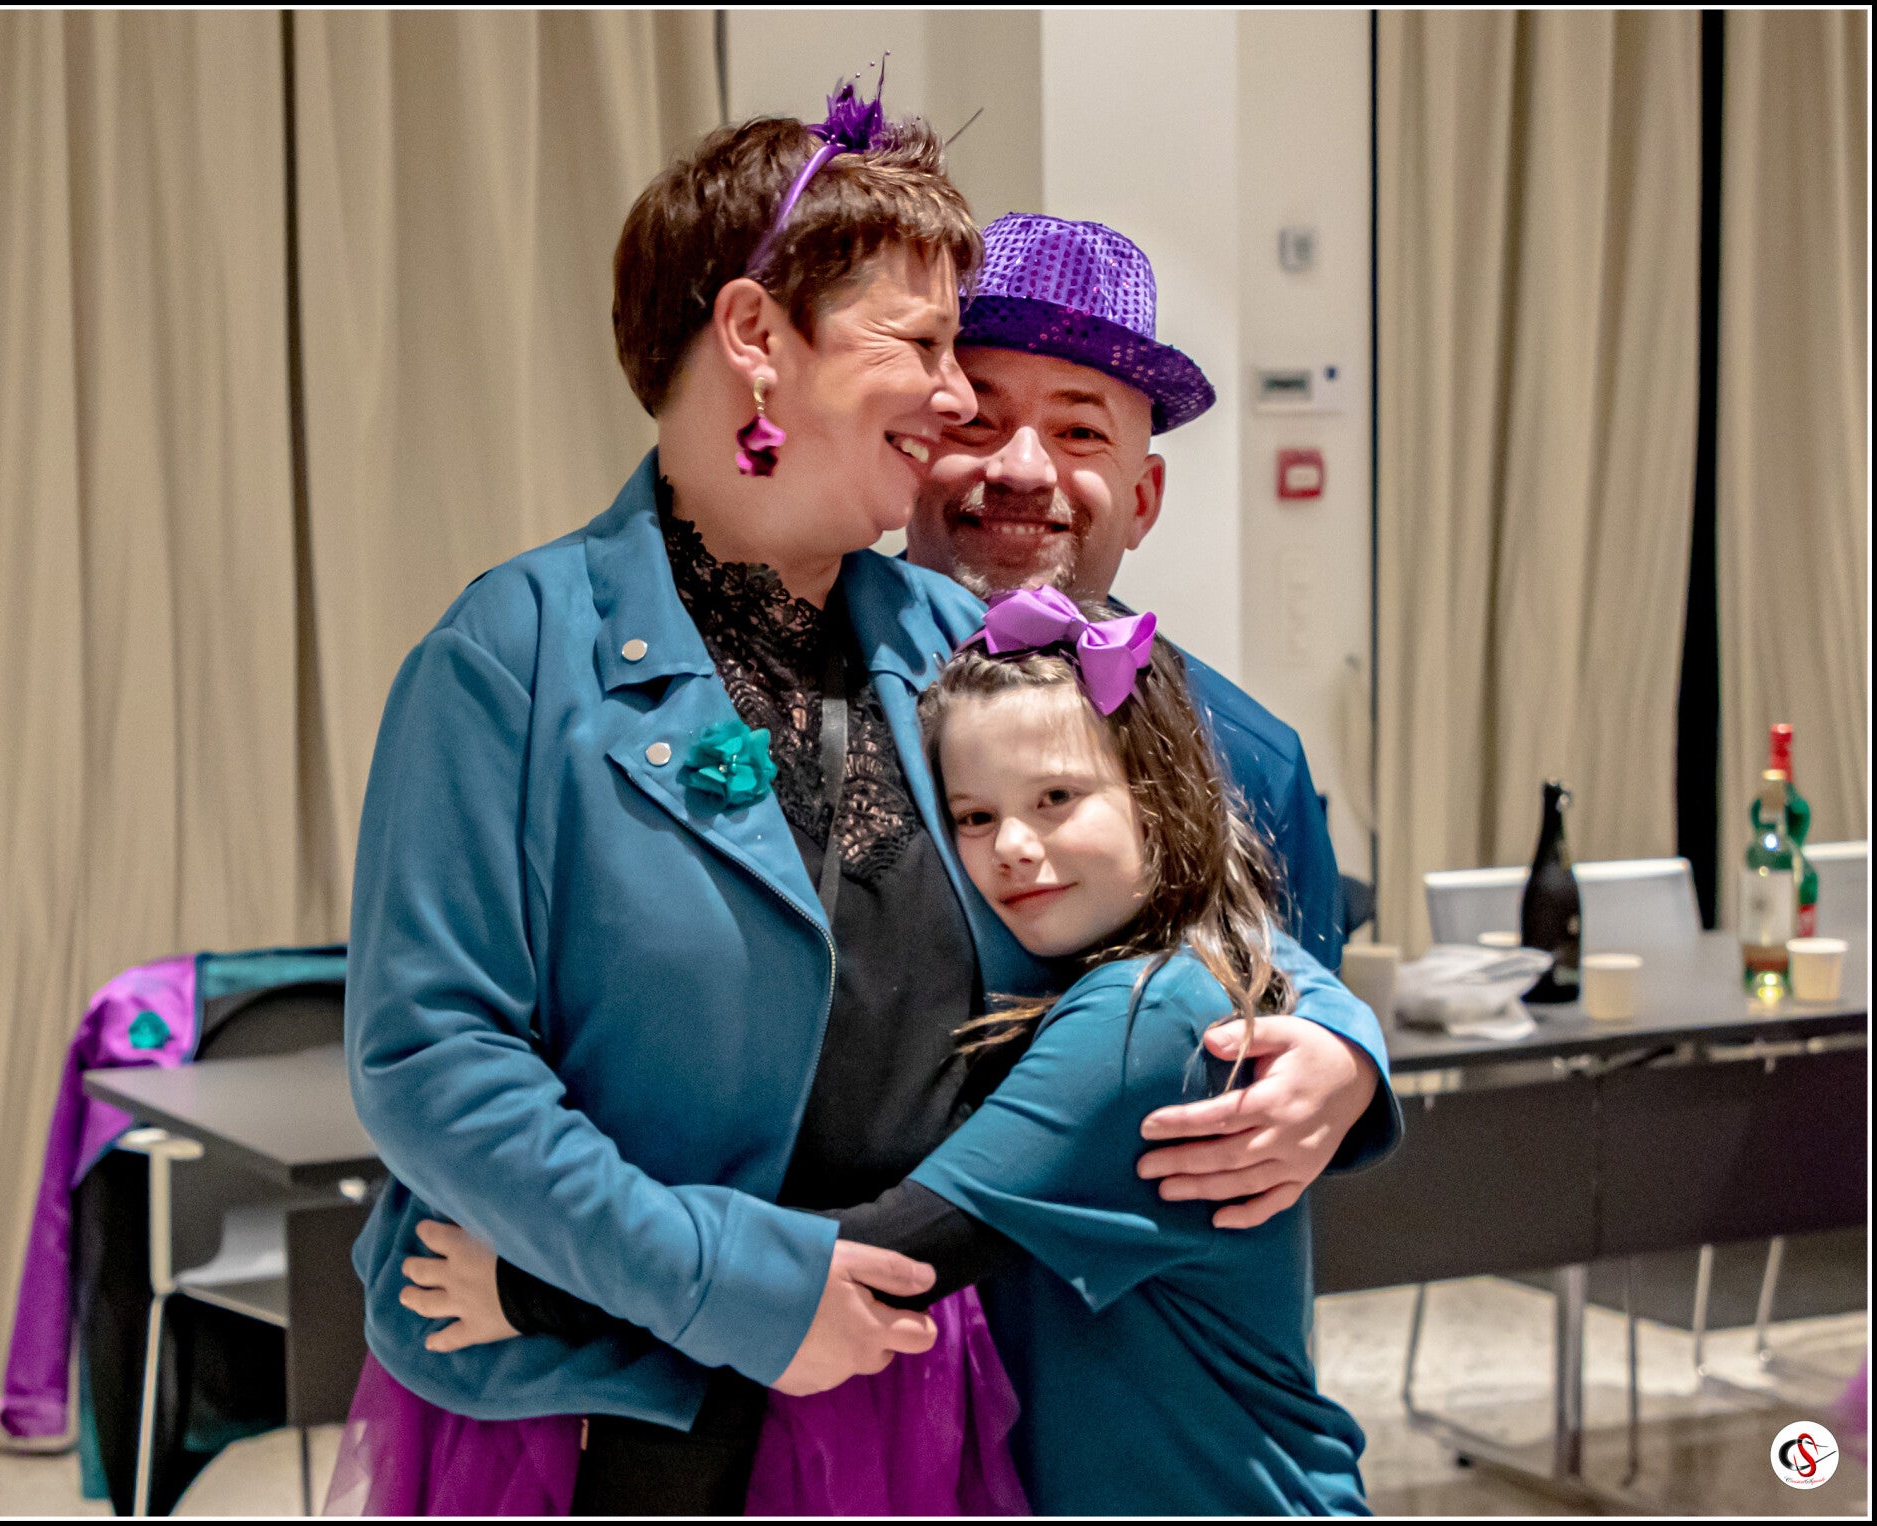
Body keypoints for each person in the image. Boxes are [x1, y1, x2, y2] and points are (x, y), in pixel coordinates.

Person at [334, 83, 1396, 1516]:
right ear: (754, 337)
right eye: (925, 346)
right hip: (597, 1412)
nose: (958, 403)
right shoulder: (509, 657)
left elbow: (1169, 887)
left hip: (893, 1404)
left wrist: (1333, 1036)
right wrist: (724, 1280)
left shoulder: (966, 642)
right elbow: (434, 1062)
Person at [406, 593, 1380, 1514]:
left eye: (1055, 797)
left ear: (1161, 797)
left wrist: (542, 1286)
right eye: (973, 816)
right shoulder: (1126, 976)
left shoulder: (1145, 1020)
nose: (1012, 845)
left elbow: (882, 1258)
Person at [904, 215, 1388, 1228]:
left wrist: (1343, 1055)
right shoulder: (808, 693)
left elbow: (1281, 1027)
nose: (1023, 467)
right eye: (976, 421)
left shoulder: (1247, 755)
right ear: (907, 445)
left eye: (1079, 432)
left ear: (1144, 496)